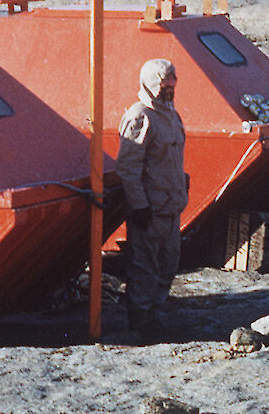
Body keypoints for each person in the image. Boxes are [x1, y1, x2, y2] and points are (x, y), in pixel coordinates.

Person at [115, 58, 187, 338]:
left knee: (168, 264)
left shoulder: (171, 115)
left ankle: (156, 313)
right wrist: (139, 204)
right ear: (149, 84)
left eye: (172, 83)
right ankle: (140, 320)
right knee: (144, 266)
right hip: (151, 208)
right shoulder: (139, 116)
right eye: (163, 84)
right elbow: (128, 167)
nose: (168, 88)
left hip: (171, 207)